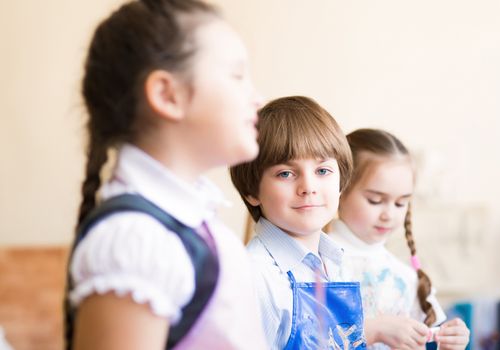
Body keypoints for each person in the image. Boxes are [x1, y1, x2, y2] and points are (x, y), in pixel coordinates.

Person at [64, 0, 268, 349]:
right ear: (167, 94)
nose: (258, 98)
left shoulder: (193, 221)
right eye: (237, 76)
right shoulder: (137, 241)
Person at [230, 96, 367, 350]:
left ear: (341, 182)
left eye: (323, 171)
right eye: (286, 173)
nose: (308, 188)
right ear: (252, 191)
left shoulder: (337, 262)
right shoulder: (253, 277)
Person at [329, 128, 470, 350]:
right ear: (340, 190)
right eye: (375, 200)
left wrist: (449, 341)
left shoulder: (405, 278)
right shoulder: (315, 261)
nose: (389, 215)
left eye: (400, 203)